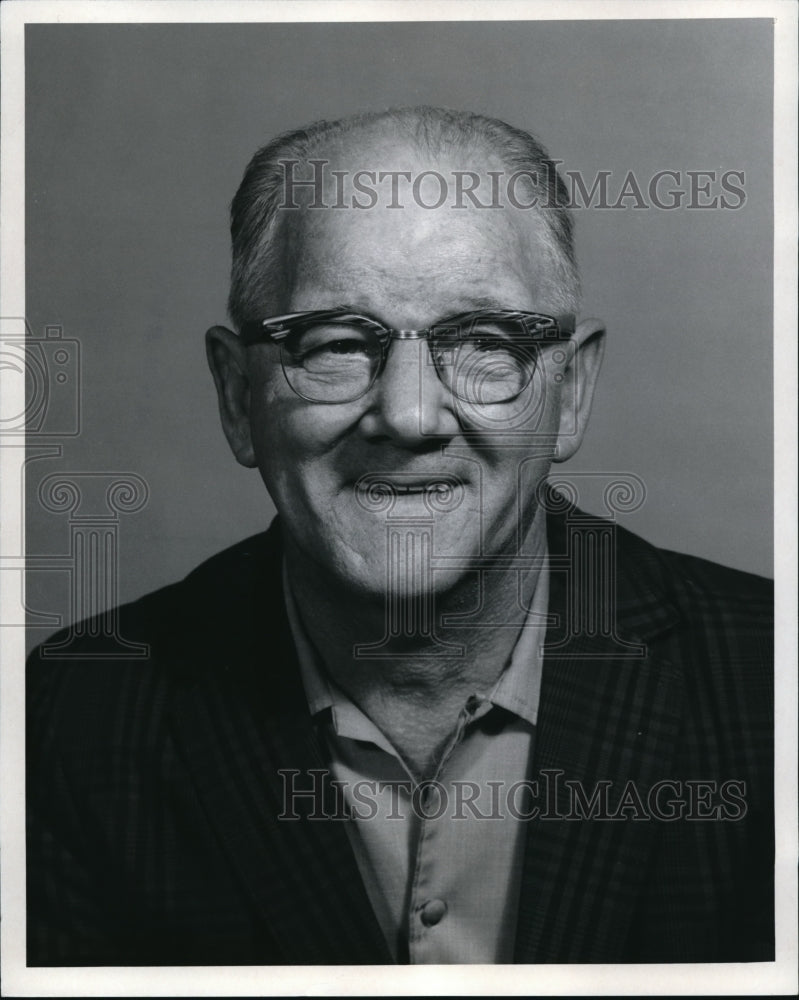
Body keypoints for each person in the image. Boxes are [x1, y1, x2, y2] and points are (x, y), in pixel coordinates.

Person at [27, 107, 773, 966]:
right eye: (336, 343)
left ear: (569, 393)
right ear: (238, 397)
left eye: (484, 342)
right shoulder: (59, 728)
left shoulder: (770, 686)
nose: (410, 415)